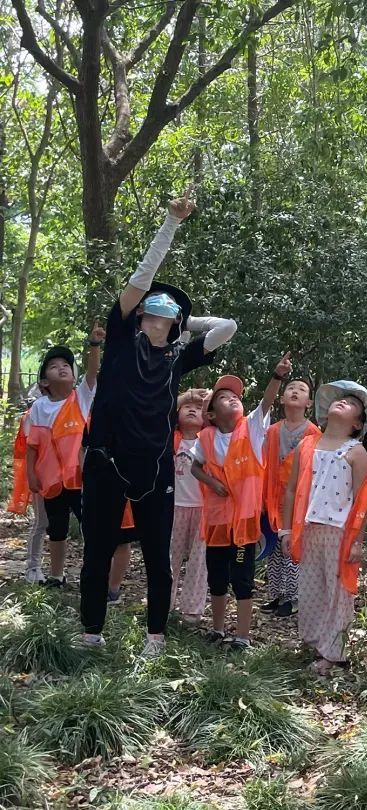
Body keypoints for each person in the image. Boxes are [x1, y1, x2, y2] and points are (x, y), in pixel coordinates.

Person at [80, 190, 237, 657]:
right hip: (106, 460)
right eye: (153, 306)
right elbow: (140, 278)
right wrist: (171, 223)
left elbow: (226, 327)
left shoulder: (176, 358)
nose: (159, 309)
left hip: (154, 467)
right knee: (97, 550)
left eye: (169, 310)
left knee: (157, 557)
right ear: (140, 314)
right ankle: (90, 634)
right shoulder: (120, 343)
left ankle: (155, 639)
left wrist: (183, 321)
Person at [282, 380, 367, 675]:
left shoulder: (356, 452)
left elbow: (364, 500)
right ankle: (314, 642)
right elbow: (291, 490)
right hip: (308, 527)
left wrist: (357, 541)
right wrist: (285, 530)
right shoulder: (307, 445)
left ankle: (333, 653)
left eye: (352, 404)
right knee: (310, 586)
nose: (343, 402)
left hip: (340, 531)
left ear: (357, 424)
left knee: (338, 593)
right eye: (340, 400)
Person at [190, 359, 286, 651]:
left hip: (243, 521)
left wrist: (276, 376)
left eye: (235, 395)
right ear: (211, 413)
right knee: (217, 577)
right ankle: (218, 629)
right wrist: (212, 482)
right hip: (217, 520)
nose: (232, 398)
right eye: (223, 396)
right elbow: (195, 467)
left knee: (242, 578)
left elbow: (267, 402)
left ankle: (243, 636)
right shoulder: (206, 437)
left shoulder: (251, 429)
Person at [25, 332, 103, 587]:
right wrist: (31, 475)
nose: (61, 368)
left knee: (90, 527)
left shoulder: (80, 398)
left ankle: (94, 575)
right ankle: (56, 575)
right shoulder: (39, 407)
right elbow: (32, 446)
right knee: (56, 529)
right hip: (50, 480)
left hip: (79, 478)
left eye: (66, 365)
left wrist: (94, 345)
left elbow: (92, 372)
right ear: (44, 382)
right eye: (53, 366)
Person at [261, 376, 320, 618]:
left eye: (302, 389)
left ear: (309, 403)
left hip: (298, 499)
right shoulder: (272, 431)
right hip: (273, 497)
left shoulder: (314, 433)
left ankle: (295, 597)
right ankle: (277, 594)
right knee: (274, 546)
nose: (295, 391)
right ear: (282, 398)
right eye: (291, 388)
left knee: (293, 547)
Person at [170, 388, 211, 624]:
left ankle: (192, 609)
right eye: (187, 406)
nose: (193, 410)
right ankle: (163, 602)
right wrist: (183, 397)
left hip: (203, 509)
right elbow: (161, 411)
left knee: (199, 560)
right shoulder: (169, 437)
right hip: (173, 506)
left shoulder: (208, 439)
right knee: (169, 558)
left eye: (198, 407)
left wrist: (209, 400)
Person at [8, 384, 47, 584]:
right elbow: (32, 446)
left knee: (58, 524)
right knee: (41, 522)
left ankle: (57, 572)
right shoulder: (33, 414)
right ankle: (33, 568)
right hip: (42, 474)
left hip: (65, 475)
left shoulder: (70, 406)